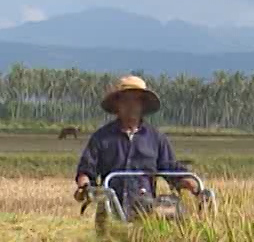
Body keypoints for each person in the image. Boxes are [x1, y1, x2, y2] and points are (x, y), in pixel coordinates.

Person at [73, 76, 198, 220]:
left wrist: (189, 182)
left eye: (136, 100)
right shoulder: (102, 137)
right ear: (117, 105)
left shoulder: (156, 139)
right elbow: (87, 169)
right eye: (126, 100)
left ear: (143, 105)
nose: (131, 105)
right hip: (110, 210)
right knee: (108, 240)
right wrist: (84, 185)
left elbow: (170, 168)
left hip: (145, 212)